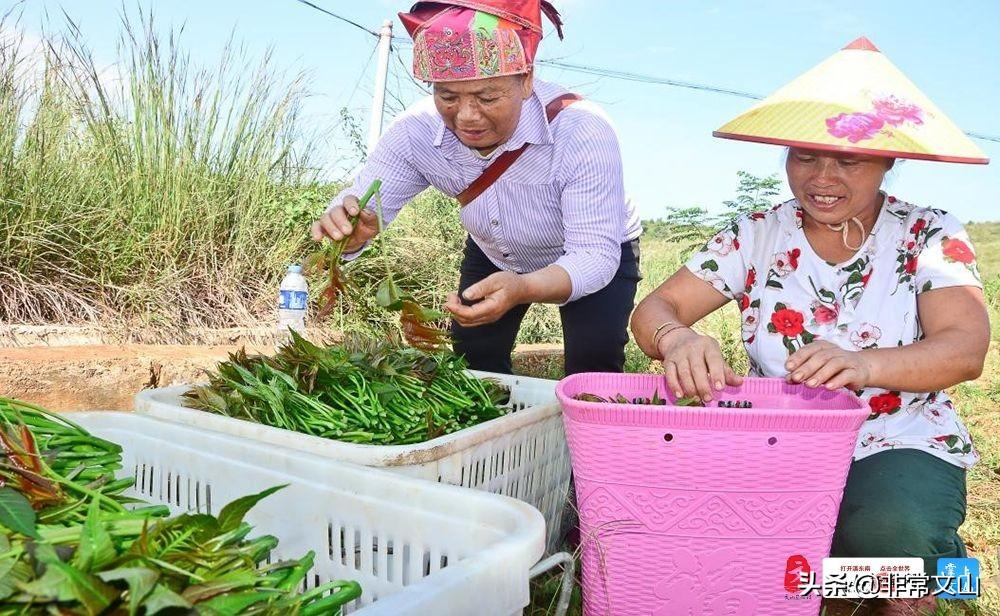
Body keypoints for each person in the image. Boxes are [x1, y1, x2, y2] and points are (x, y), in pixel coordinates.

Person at [630, 37, 990, 616]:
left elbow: (965, 349)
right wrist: (677, 337)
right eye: (803, 156)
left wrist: (867, 364)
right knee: (710, 541)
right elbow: (652, 311)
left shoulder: (927, 233)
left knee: (888, 539)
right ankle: (837, 573)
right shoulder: (758, 233)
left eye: (849, 160)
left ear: (888, 160)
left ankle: (930, 568)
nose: (822, 177)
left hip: (895, 435)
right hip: (779, 439)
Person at [311, 0, 642, 375]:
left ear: (527, 80)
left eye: (487, 97)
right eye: (448, 97)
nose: (467, 117)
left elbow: (593, 257)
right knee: (472, 364)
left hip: (593, 252)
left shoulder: (581, 129)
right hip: (495, 251)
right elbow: (362, 201)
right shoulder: (414, 133)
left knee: (592, 369)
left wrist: (523, 287)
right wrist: (349, 232)